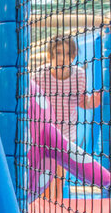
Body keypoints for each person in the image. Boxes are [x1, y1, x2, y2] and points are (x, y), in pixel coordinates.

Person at [34, 35, 100, 197]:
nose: (62, 58)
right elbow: (32, 101)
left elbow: (82, 102)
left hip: (66, 134)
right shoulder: (40, 75)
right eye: (58, 53)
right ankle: (45, 205)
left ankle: (55, 205)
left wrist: (93, 102)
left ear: (72, 56)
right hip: (43, 133)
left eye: (66, 54)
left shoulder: (79, 75)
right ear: (50, 55)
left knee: (59, 176)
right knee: (44, 174)